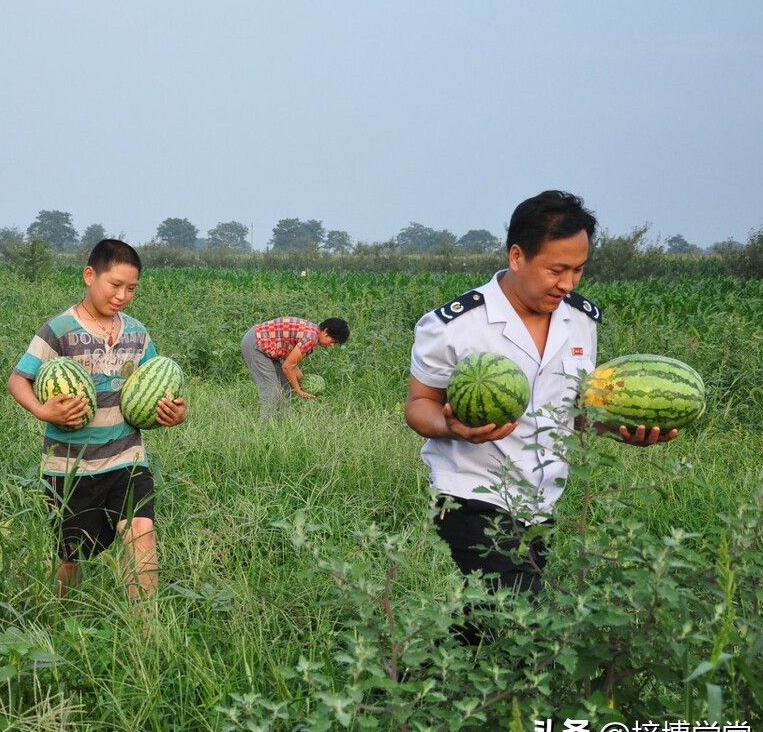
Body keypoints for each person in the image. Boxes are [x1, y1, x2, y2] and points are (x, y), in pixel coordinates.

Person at [403, 190, 675, 642]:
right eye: (556, 269)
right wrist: (453, 427)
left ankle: (407, 692)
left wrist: (621, 430)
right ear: (517, 255)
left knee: (482, 629)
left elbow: (577, 413)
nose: (568, 283)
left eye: (578, 269)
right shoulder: (452, 324)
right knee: (523, 626)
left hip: (542, 502)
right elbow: (419, 405)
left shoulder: (581, 321)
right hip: (471, 495)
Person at [8, 239, 187, 600]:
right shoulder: (59, 330)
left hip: (127, 456)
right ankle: (62, 615)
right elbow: (18, 379)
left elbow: (156, 383)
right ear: (90, 276)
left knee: (141, 532)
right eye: (115, 285)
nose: (122, 295)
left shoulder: (137, 333)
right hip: (70, 465)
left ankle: (145, 630)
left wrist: (175, 413)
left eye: (131, 288)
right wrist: (42, 410)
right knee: (71, 555)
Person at [241, 316, 349, 414]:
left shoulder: (312, 331)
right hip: (256, 343)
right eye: (333, 341)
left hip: (264, 346)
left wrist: (302, 381)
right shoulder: (310, 338)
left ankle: (281, 425)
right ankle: (263, 429)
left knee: (285, 388)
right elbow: (287, 367)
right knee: (271, 391)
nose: (332, 345)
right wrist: (299, 390)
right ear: (325, 331)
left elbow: (291, 363)